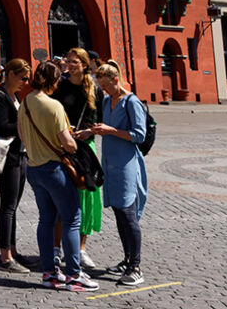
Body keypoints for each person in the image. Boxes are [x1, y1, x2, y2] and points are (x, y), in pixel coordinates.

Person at [18, 60, 96, 292]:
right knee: (72, 219)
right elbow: (68, 144)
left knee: (46, 220)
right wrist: (73, 142)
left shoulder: (26, 103)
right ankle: (74, 274)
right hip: (55, 169)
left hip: (34, 168)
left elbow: (21, 134)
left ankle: (49, 273)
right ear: (53, 81)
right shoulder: (54, 106)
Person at [85, 63, 148, 287]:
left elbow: (139, 135)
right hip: (110, 163)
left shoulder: (132, 102)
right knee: (119, 214)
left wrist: (111, 131)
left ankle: (136, 267)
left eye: (105, 85)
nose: (103, 89)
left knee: (128, 214)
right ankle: (127, 259)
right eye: (100, 85)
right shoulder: (105, 100)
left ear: (115, 80)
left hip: (127, 164)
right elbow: (104, 126)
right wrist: (89, 131)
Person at [54, 48, 101, 271]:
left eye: (74, 62)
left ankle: (81, 249)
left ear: (84, 64)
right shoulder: (60, 87)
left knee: (86, 200)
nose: (70, 65)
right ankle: (57, 249)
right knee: (61, 199)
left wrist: (88, 132)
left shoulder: (94, 89)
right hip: (62, 146)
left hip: (85, 149)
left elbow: (99, 119)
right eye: (68, 61)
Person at [0, 59, 32, 271]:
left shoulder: (15, 96)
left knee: (13, 206)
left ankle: (13, 250)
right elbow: (3, 127)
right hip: (8, 158)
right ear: (11, 74)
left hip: (20, 156)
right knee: (7, 206)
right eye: (23, 78)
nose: (26, 82)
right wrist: (25, 124)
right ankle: (5, 257)